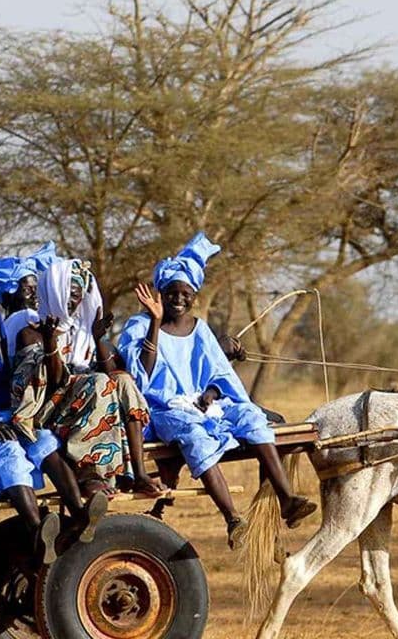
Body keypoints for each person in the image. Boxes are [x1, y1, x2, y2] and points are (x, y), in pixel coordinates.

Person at [117, 232, 315, 549]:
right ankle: (233, 519)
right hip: (163, 411)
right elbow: (143, 374)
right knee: (194, 436)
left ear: (194, 295)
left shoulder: (200, 328)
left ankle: (287, 497)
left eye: (186, 293)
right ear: (160, 294)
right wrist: (155, 321)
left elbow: (219, 374)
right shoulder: (139, 326)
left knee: (252, 415)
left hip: (205, 406)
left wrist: (210, 392)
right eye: (171, 293)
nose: (179, 299)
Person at [0, 262, 104, 561]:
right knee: (10, 452)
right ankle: (38, 531)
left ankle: (79, 512)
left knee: (44, 441)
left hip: (7, 417)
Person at [10, 259, 164, 499]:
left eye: (78, 295)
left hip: (86, 403)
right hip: (47, 410)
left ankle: (139, 473)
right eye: (69, 294)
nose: (74, 302)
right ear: (54, 292)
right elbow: (52, 384)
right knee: (99, 383)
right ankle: (88, 474)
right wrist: (51, 344)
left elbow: (110, 370)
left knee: (123, 380)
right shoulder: (31, 334)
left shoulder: (80, 333)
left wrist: (97, 338)